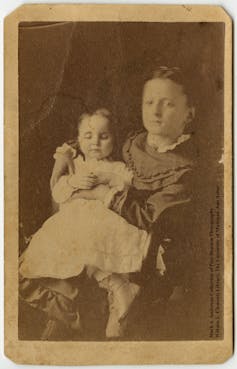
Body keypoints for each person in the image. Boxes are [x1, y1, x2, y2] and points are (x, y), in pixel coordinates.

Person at [51, 66, 198, 303]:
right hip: (106, 223)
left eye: (168, 104)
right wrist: (68, 153)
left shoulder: (183, 170)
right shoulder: (135, 141)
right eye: (149, 103)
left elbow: (149, 216)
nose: (156, 112)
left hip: (147, 242)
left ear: (188, 114)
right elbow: (96, 141)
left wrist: (100, 193)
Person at [19, 108, 152, 338]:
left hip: (106, 218)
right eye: (88, 136)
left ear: (114, 138)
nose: (95, 143)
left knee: (99, 242)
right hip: (73, 221)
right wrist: (72, 181)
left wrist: (109, 179)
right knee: (61, 246)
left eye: (104, 136)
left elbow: (129, 188)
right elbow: (59, 194)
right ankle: (116, 289)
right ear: (78, 140)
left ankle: (118, 294)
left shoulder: (117, 167)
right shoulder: (76, 165)